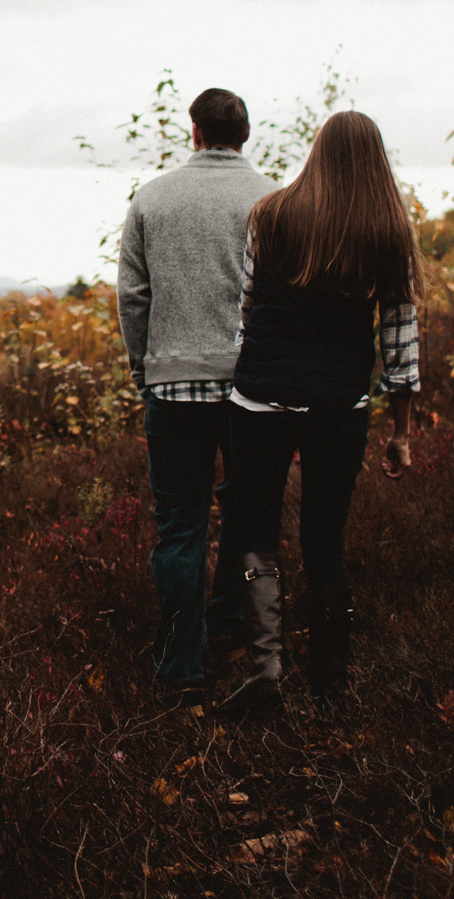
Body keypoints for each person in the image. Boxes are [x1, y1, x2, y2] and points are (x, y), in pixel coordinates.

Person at [216, 109, 419, 714]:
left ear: (317, 151)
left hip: (259, 400)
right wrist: (401, 431)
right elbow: (400, 338)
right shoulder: (387, 230)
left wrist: (254, 367)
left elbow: (246, 307)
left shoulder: (271, 214)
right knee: (324, 537)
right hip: (339, 403)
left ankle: (266, 671)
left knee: (254, 533)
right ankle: (331, 679)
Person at [115, 87, 274, 706]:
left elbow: (133, 295)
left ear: (195, 132)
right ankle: (233, 626)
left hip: (172, 385)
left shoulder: (152, 197)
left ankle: (182, 662)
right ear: (247, 135)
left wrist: (144, 367)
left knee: (180, 525)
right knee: (246, 511)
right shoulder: (271, 199)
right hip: (252, 387)